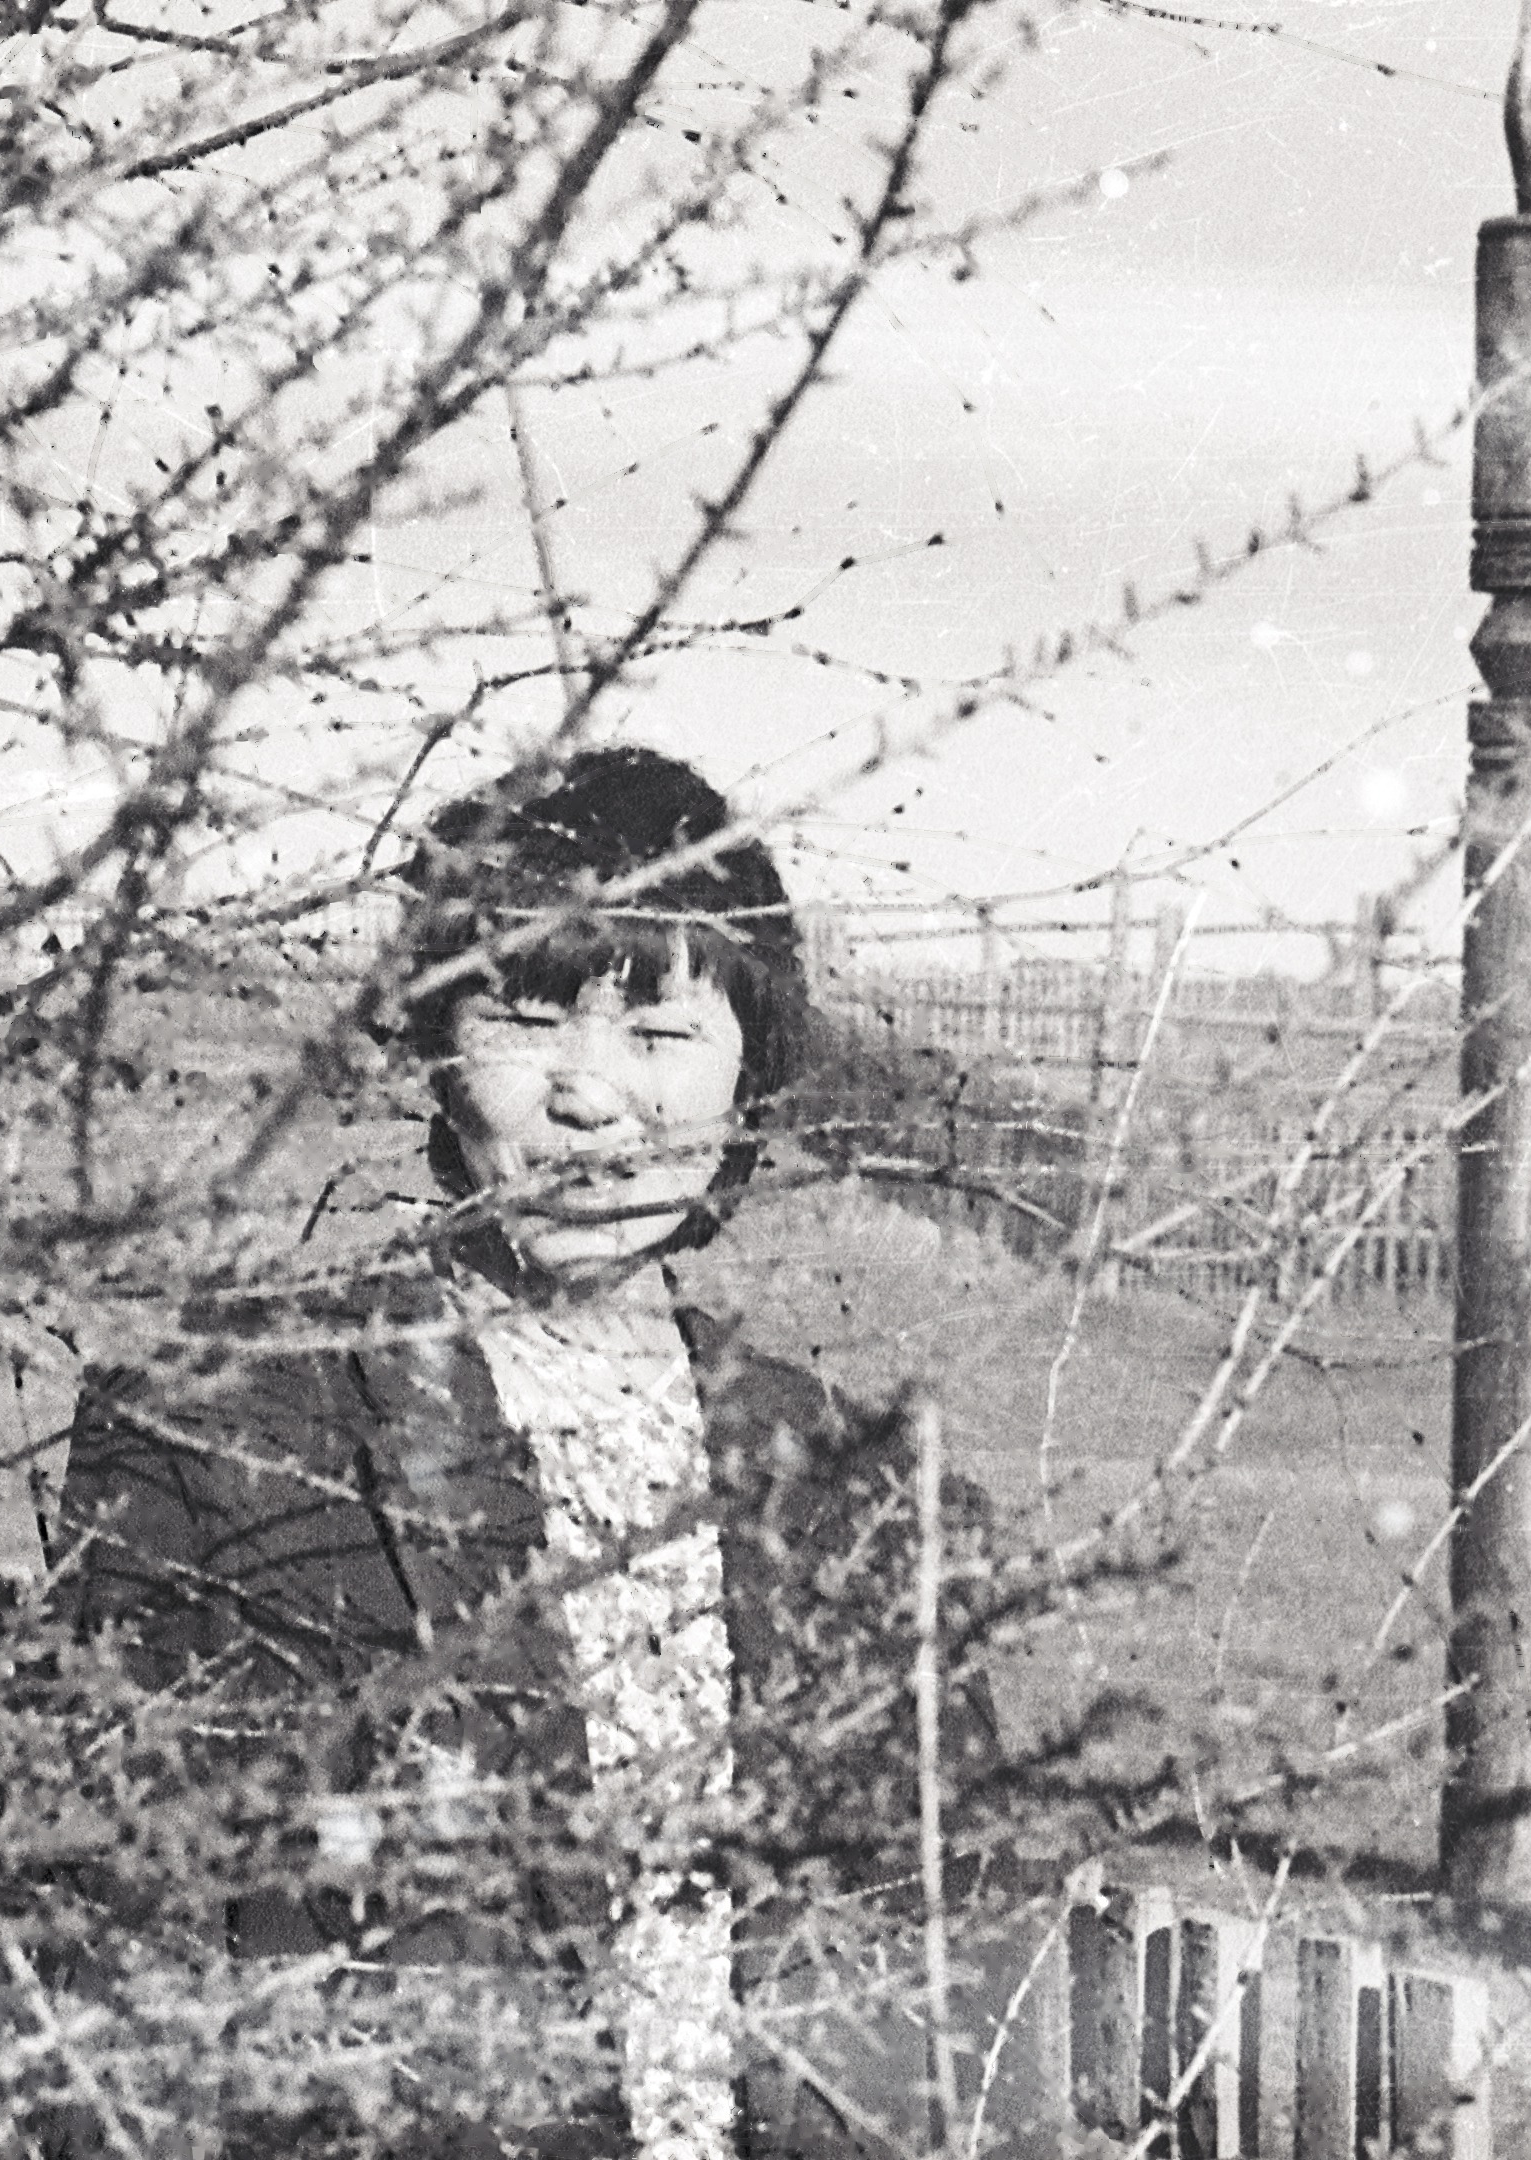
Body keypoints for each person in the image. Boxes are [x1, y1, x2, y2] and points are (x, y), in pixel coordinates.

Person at [55, 745, 991, 2160]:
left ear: (749, 1083)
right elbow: (114, 1958)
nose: (590, 1097)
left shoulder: (851, 1489)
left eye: (661, 1036)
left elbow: (938, 1977)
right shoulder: (228, 1425)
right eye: (529, 1020)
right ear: (437, 1047)